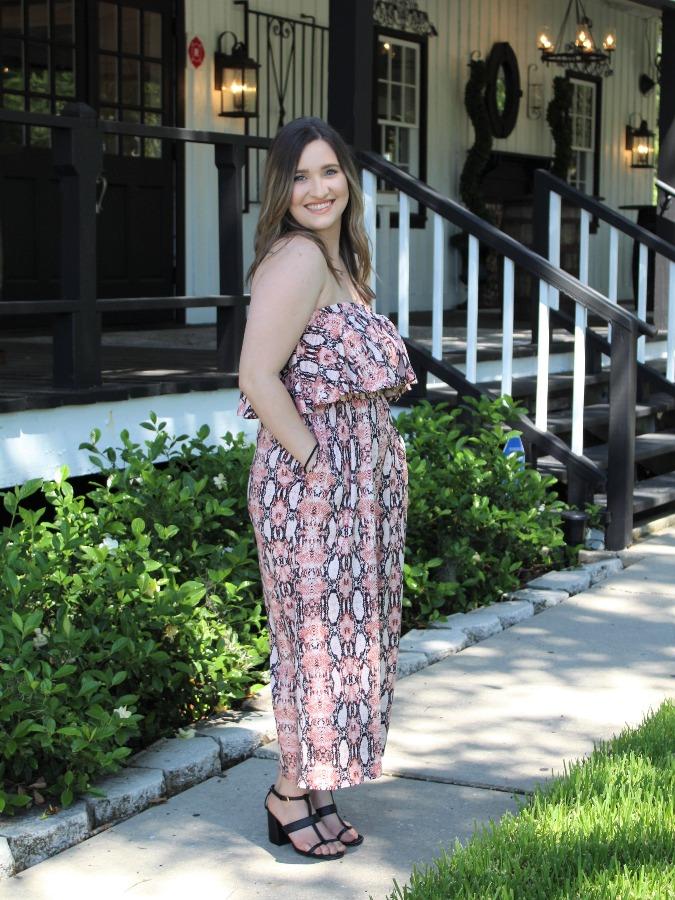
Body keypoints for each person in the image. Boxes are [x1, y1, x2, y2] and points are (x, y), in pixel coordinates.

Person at [237, 116, 417, 861]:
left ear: (348, 178)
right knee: (312, 644)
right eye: (301, 176)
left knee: (351, 646)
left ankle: (317, 786)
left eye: (330, 172)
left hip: (356, 489)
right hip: (313, 490)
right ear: (283, 189)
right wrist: (319, 464)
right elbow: (255, 377)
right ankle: (286, 793)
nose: (318, 189)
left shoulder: (341, 263)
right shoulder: (297, 260)